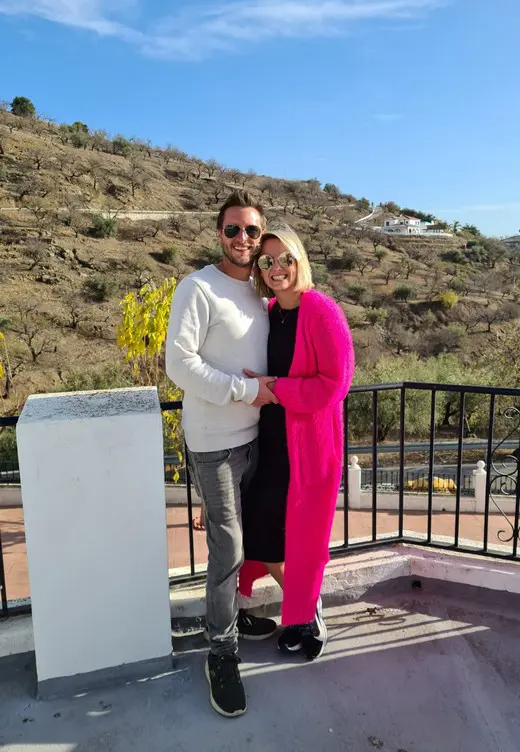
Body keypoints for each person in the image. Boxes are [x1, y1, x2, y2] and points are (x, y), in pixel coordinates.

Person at [165, 190, 278, 719]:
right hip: (214, 444)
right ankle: (221, 652)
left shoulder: (258, 291)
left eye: (252, 230)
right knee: (227, 548)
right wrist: (245, 390)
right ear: (219, 234)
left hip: (256, 436)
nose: (243, 239)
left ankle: (232, 616)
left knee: (247, 539)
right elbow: (179, 364)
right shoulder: (198, 287)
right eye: (233, 229)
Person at [239, 223, 355, 661]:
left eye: (285, 258)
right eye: (267, 261)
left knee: (304, 536)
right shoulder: (268, 312)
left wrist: (276, 388)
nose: (277, 268)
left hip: (309, 446)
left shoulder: (322, 311)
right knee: (261, 530)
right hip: (270, 441)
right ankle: (306, 603)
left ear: (299, 260)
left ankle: (306, 615)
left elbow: (335, 383)